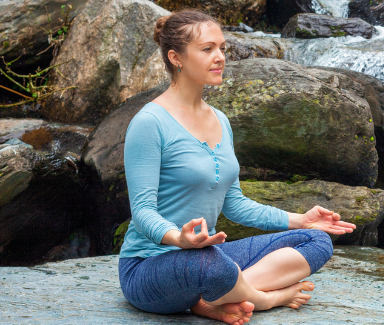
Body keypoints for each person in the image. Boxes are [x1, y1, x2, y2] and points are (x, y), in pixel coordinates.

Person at [117, 10, 357, 325]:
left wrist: (301, 220)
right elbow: (143, 212)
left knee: (315, 240)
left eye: (222, 48)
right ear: (176, 58)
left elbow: (235, 205)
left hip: (207, 258)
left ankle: (214, 297)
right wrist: (179, 239)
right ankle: (264, 298)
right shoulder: (149, 123)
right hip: (150, 267)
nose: (220, 57)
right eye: (207, 49)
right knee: (209, 264)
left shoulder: (220, 120)